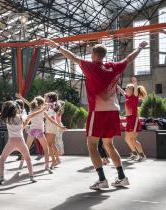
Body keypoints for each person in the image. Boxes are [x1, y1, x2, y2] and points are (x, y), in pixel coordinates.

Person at [45, 38, 148, 190]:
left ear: (93, 55)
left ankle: (102, 180)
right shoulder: (114, 67)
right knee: (108, 144)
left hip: (98, 112)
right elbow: (129, 58)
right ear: (104, 55)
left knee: (92, 145)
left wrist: (58, 46)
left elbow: (73, 57)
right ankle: (121, 177)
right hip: (113, 111)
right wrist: (139, 47)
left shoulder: (91, 66)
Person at [0, 100, 47, 185]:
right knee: (28, 159)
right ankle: (31, 177)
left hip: (11, 142)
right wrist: (42, 110)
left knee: (2, 159)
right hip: (21, 142)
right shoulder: (20, 117)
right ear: (15, 109)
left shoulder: (6, 118)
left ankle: (1, 177)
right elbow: (32, 115)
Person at [117, 77, 147, 162]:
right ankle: (134, 153)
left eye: (128, 88)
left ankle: (142, 155)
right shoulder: (127, 96)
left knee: (133, 139)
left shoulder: (134, 97)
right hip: (129, 120)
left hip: (134, 120)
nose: (126, 89)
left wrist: (135, 83)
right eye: (126, 88)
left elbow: (136, 91)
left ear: (132, 90)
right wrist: (116, 85)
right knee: (127, 139)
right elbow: (122, 91)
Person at [44, 92, 65, 169]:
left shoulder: (50, 105)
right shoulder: (52, 105)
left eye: (46, 97)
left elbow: (52, 118)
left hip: (50, 125)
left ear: (50, 99)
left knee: (49, 144)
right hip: (50, 125)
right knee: (52, 144)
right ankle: (57, 160)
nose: (45, 99)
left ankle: (54, 161)